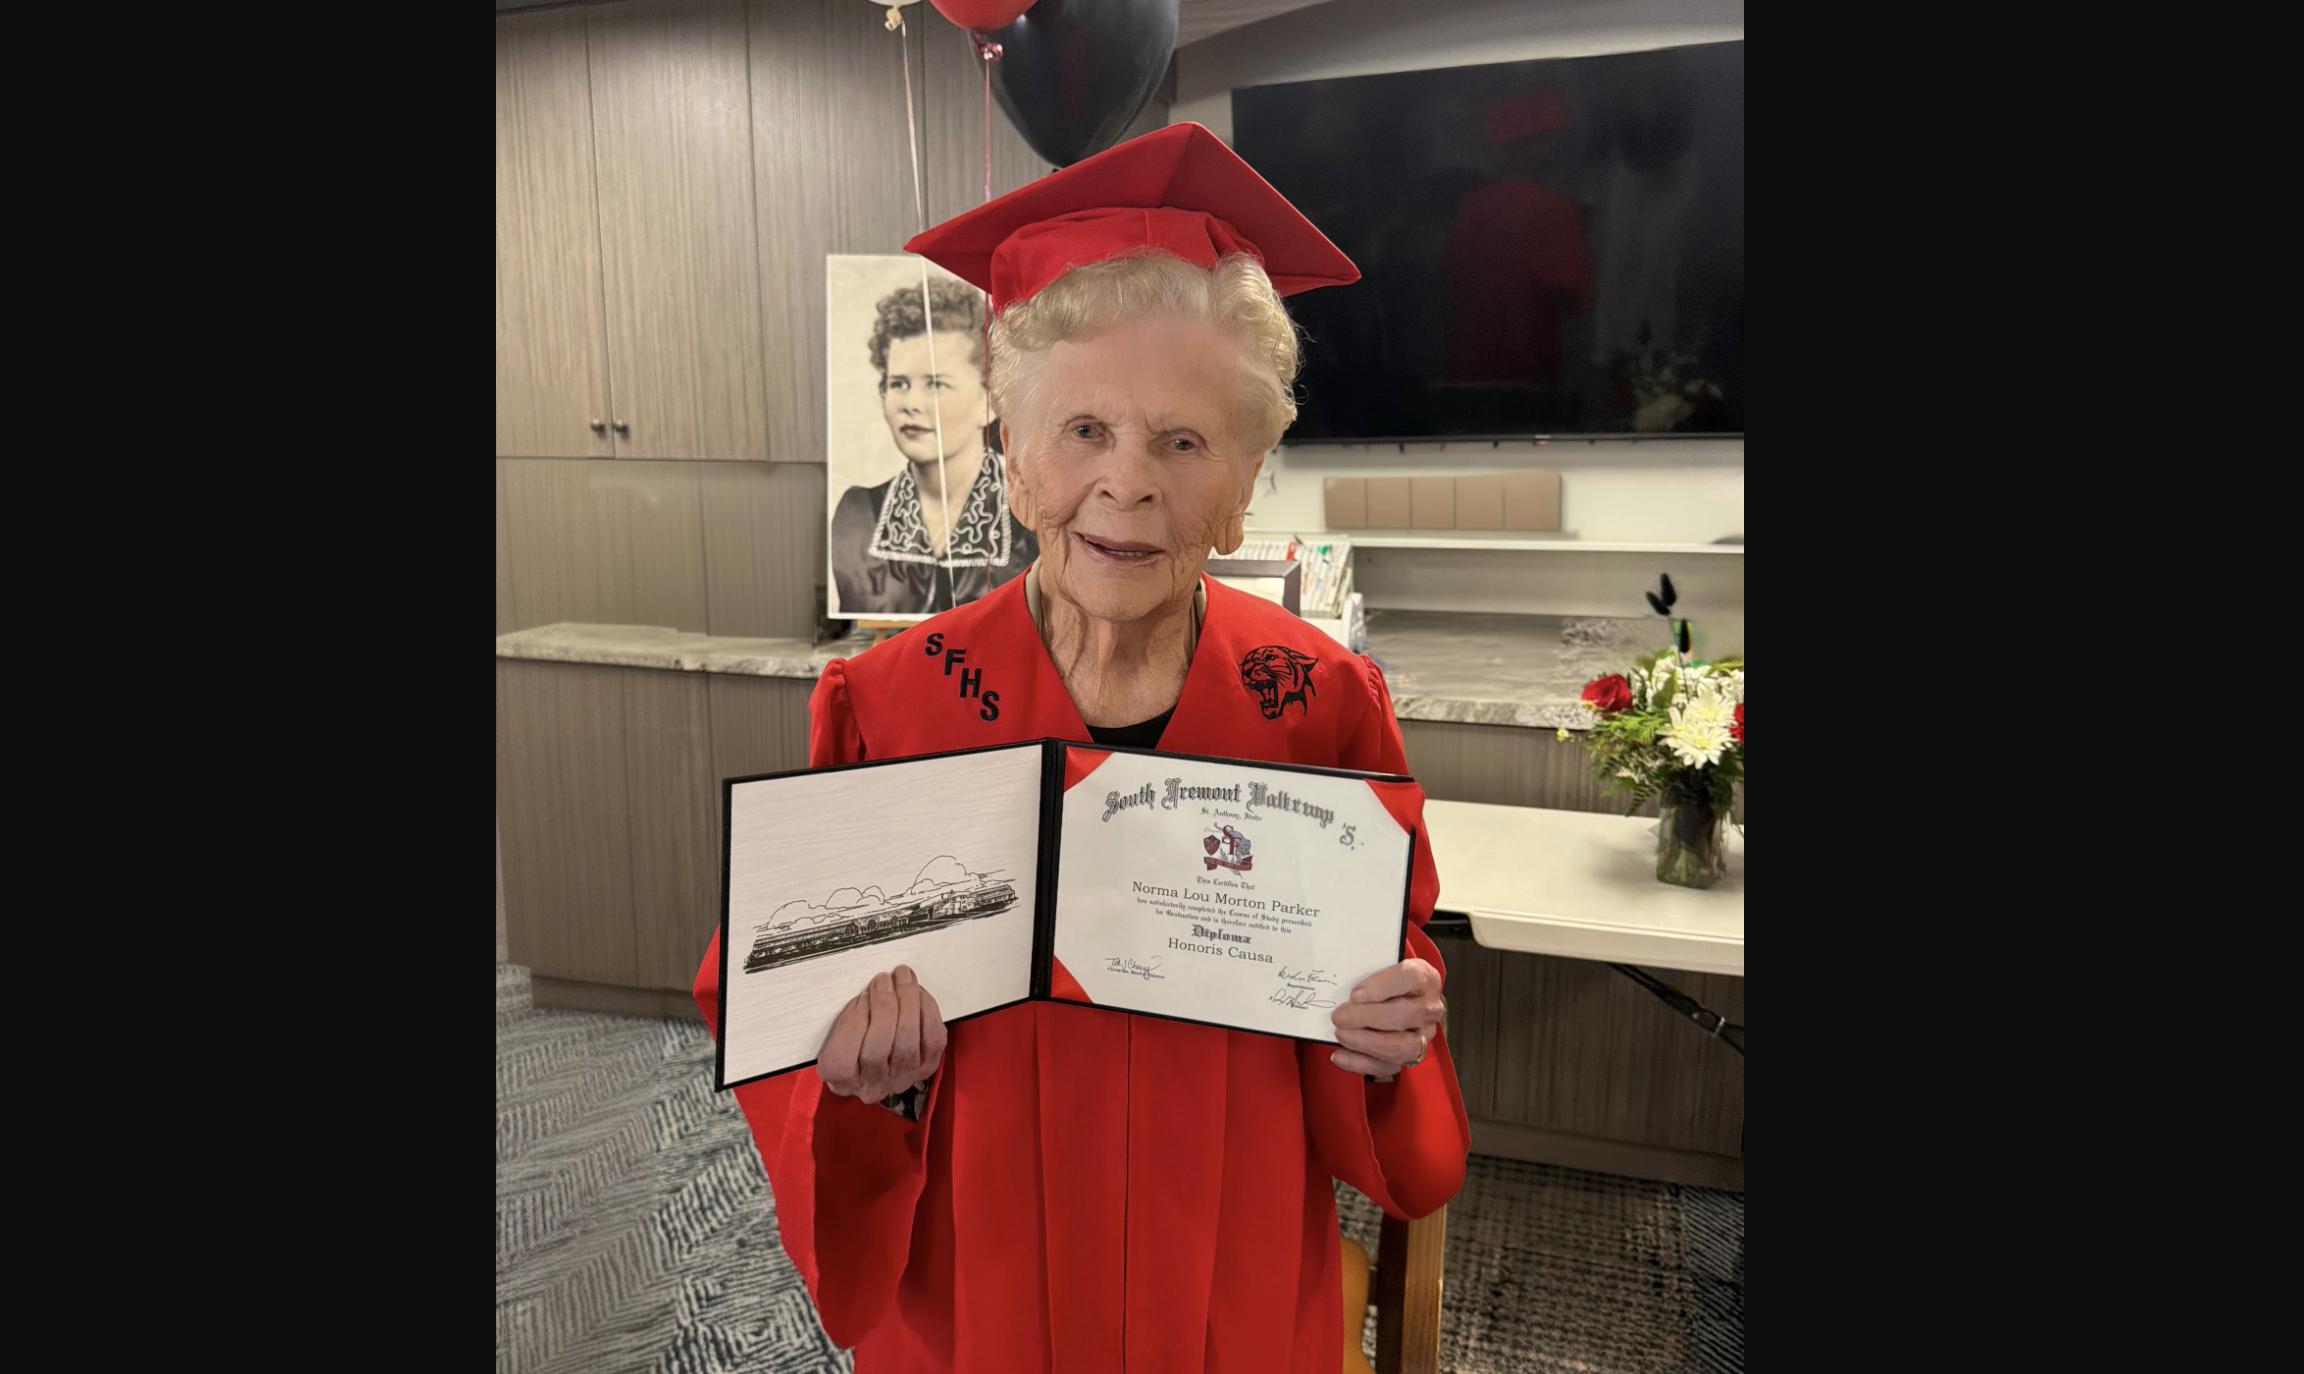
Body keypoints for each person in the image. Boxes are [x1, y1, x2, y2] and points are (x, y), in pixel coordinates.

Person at [694, 122, 1468, 1373]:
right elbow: (766, 971)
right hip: (976, 1272)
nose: (1129, 485)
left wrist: (1387, 1030)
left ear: (1249, 476)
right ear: (1009, 449)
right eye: (1084, 431)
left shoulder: (1317, 702)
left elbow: (1391, 949)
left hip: (1230, 1260)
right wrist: (852, 1072)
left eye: (1184, 441)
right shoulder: (893, 704)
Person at [830, 277, 1038, 615]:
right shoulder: (857, 518)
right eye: (898, 383)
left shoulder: (1031, 518)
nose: (911, 403)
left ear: (988, 401)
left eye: (936, 384)